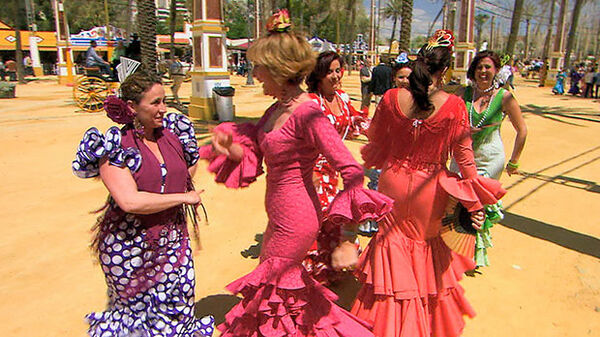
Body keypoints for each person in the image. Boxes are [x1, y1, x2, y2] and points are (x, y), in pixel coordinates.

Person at [199, 10, 392, 336]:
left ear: (277, 69)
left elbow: (352, 170)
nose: (254, 73)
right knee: (277, 291)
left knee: (277, 289)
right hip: (278, 214)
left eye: (258, 66)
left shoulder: (308, 114)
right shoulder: (274, 111)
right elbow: (254, 153)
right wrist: (227, 146)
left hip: (298, 217)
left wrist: (347, 238)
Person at [351, 30, 506, 337]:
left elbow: (375, 141)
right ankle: (419, 325)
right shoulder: (454, 106)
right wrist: (474, 200)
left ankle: (384, 325)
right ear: (444, 70)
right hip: (431, 189)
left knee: (391, 249)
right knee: (424, 257)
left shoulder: (393, 98)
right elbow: (465, 160)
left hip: (392, 183)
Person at [71, 71, 215, 337]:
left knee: (179, 309)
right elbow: (129, 200)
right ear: (132, 107)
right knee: (137, 320)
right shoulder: (115, 146)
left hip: (173, 241)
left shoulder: (172, 136)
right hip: (129, 248)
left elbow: (182, 172)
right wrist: (184, 198)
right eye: (155, 103)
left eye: (164, 101)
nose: (163, 109)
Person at [452, 50, 528, 267]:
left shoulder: (505, 97)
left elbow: (522, 130)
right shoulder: (462, 93)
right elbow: (446, 119)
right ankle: (456, 248)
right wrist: (462, 130)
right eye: (479, 67)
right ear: (473, 70)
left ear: (496, 71)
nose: (483, 71)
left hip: (489, 157)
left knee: (478, 203)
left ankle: (473, 254)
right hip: (462, 154)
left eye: (488, 67)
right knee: (456, 199)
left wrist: (514, 160)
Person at [301, 51, 369, 284]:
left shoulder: (343, 99)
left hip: (334, 171)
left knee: (334, 217)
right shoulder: (311, 102)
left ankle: (330, 268)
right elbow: (300, 140)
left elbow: (360, 124)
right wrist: (308, 172)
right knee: (321, 218)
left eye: (337, 70)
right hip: (313, 170)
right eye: (328, 71)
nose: (334, 75)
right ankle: (315, 272)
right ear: (318, 75)